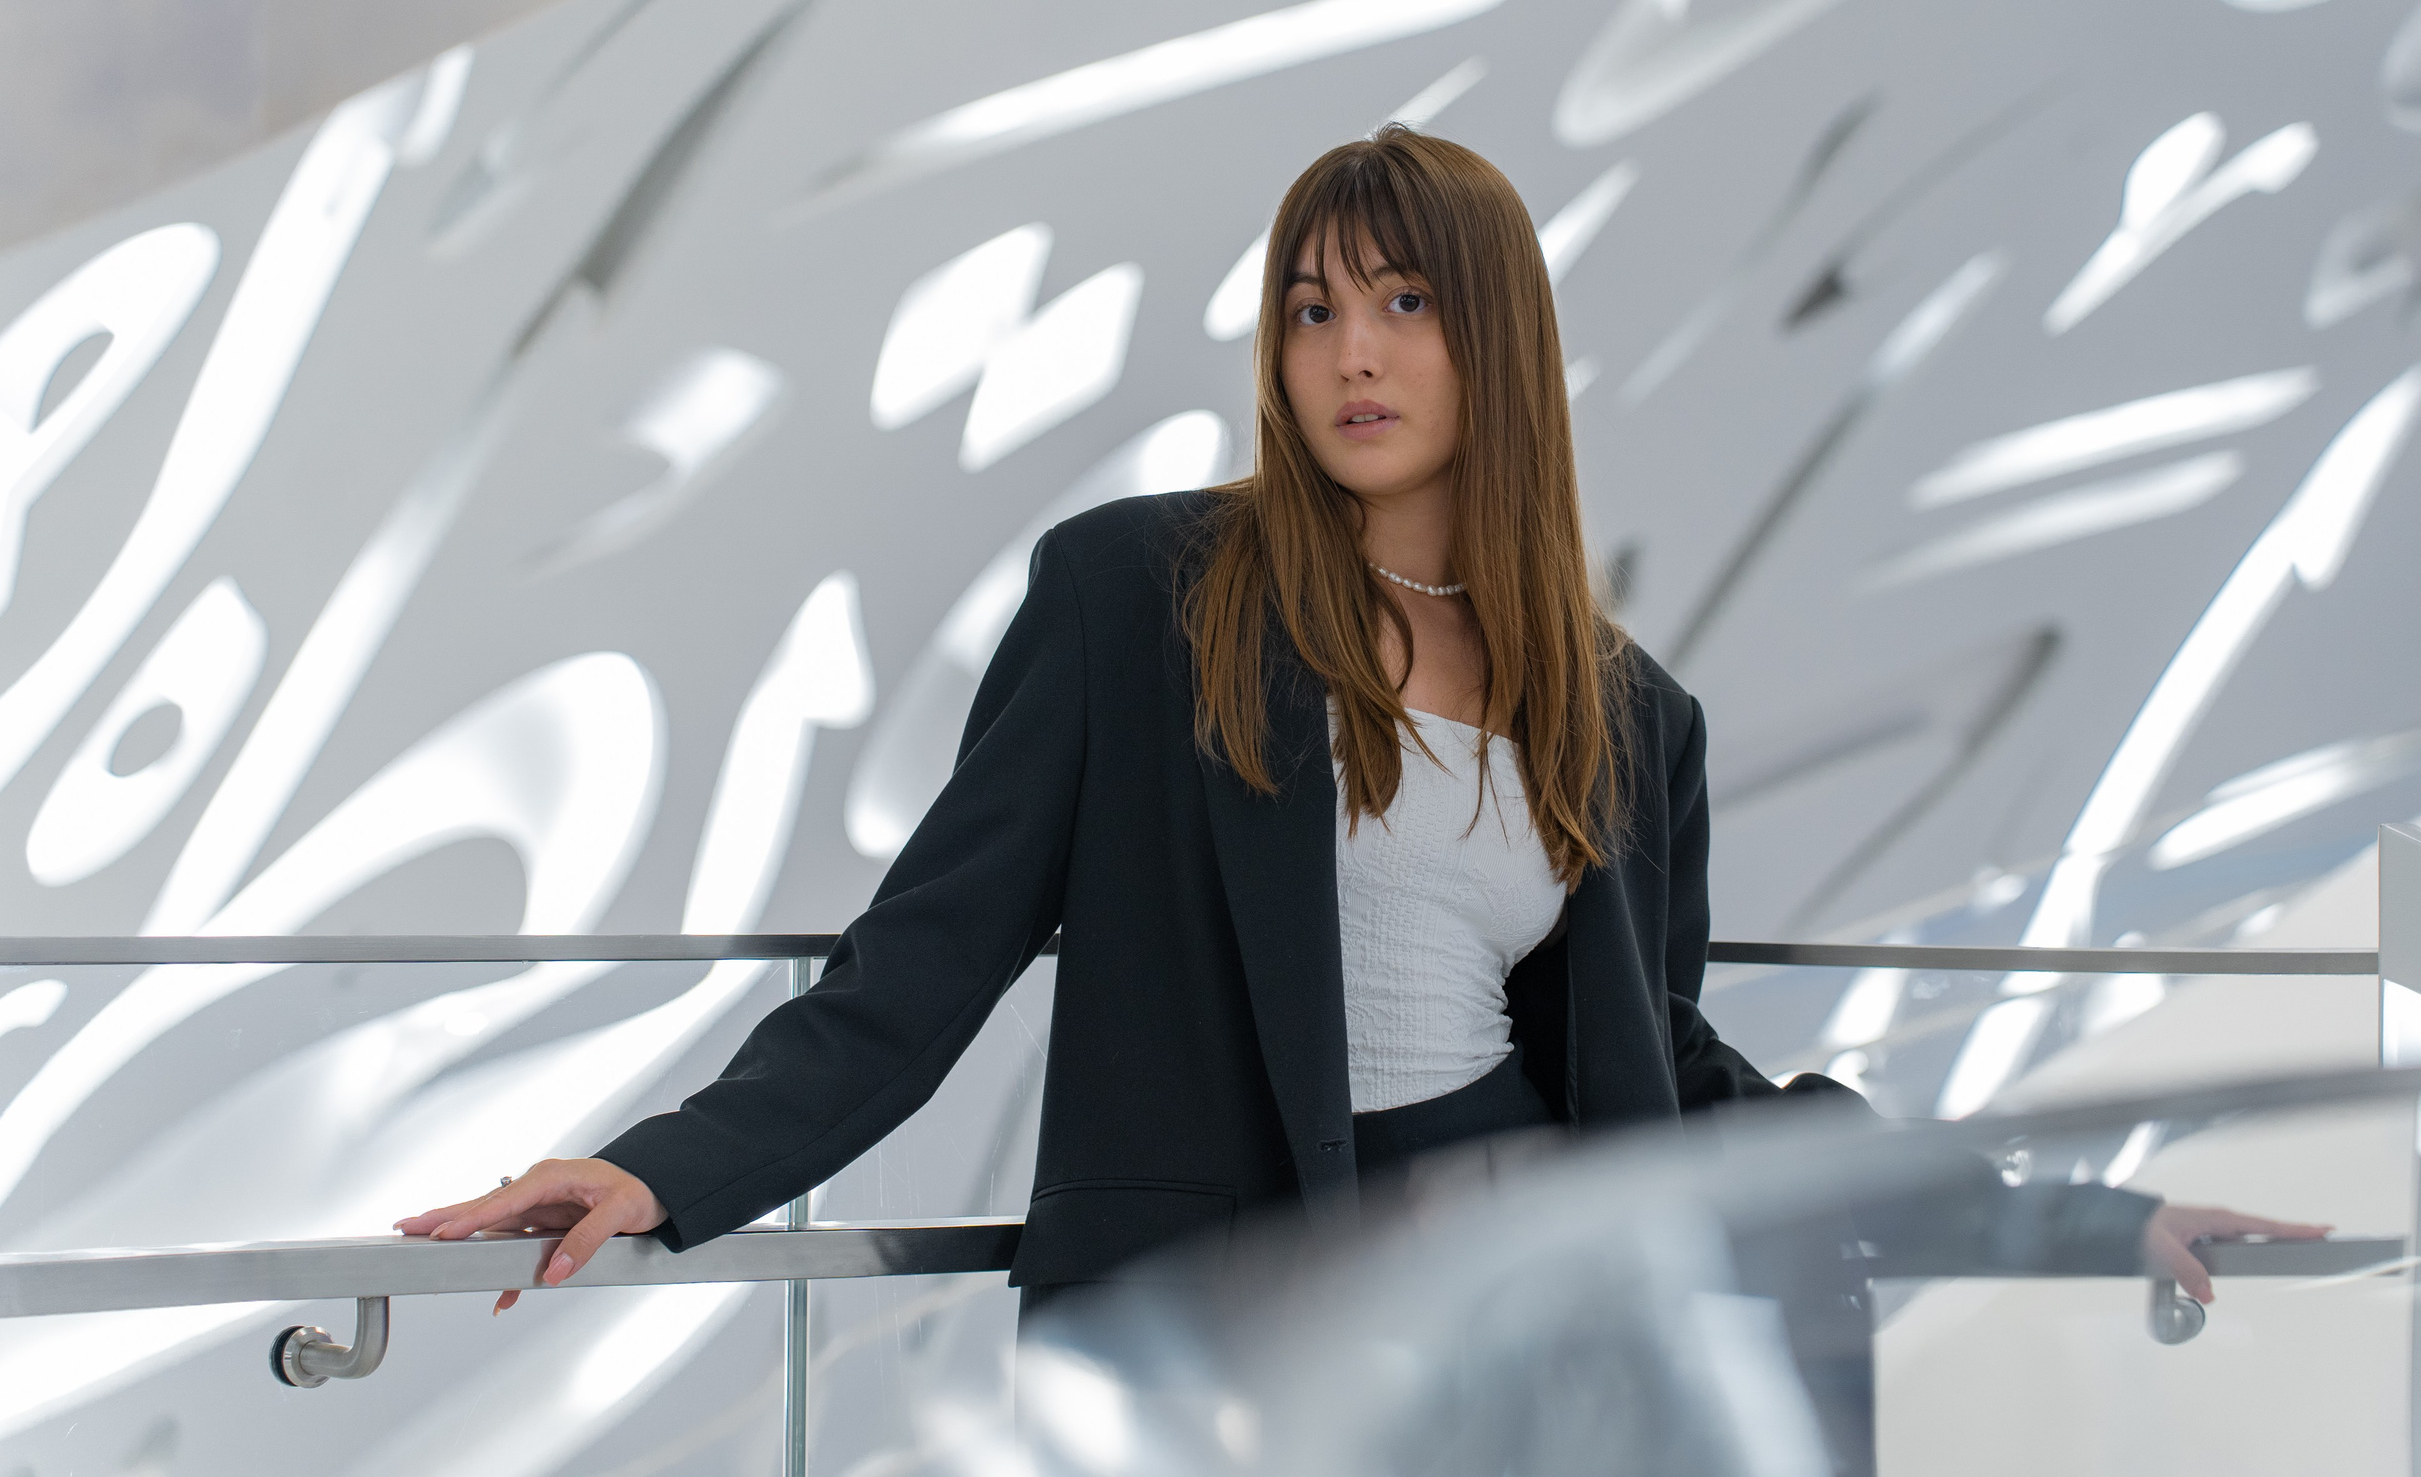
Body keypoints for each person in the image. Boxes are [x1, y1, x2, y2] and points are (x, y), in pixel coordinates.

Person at [398, 126, 2319, 1320]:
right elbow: (924, 960)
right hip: (1228, 1308)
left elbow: (1677, 1071)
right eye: (1312, 312)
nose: (1355, 353)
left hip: (1524, 1296)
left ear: (1497, 339)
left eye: (1404, 300)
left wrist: (2072, 1217)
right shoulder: (1138, 599)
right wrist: (663, 1169)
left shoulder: (1626, 712)